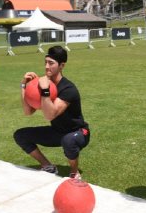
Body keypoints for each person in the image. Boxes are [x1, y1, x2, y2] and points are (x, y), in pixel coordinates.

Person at [14, 46, 90, 179]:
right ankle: (48, 166)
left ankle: (74, 173)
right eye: (45, 62)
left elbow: (50, 115)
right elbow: (28, 112)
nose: (47, 67)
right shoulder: (43, 84)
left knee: (68, 140)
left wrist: (45, 90)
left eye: (51, 63)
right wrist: (23, 86)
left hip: (77, 132)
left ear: (62, 65)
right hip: (57, 132)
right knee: (20, 135)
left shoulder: (68, 89)